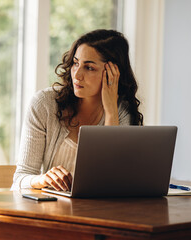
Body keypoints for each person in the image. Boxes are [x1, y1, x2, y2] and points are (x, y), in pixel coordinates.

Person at [11, 29, 143, 191]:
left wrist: (110, 113)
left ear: (112, 74)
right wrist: (43, 179)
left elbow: (111, 181)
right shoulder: (44, 104)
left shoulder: (120, 112)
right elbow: (20, 179)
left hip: (98, 212)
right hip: (49, 210)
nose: (77, 75)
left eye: (89, 68)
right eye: (75, 63)